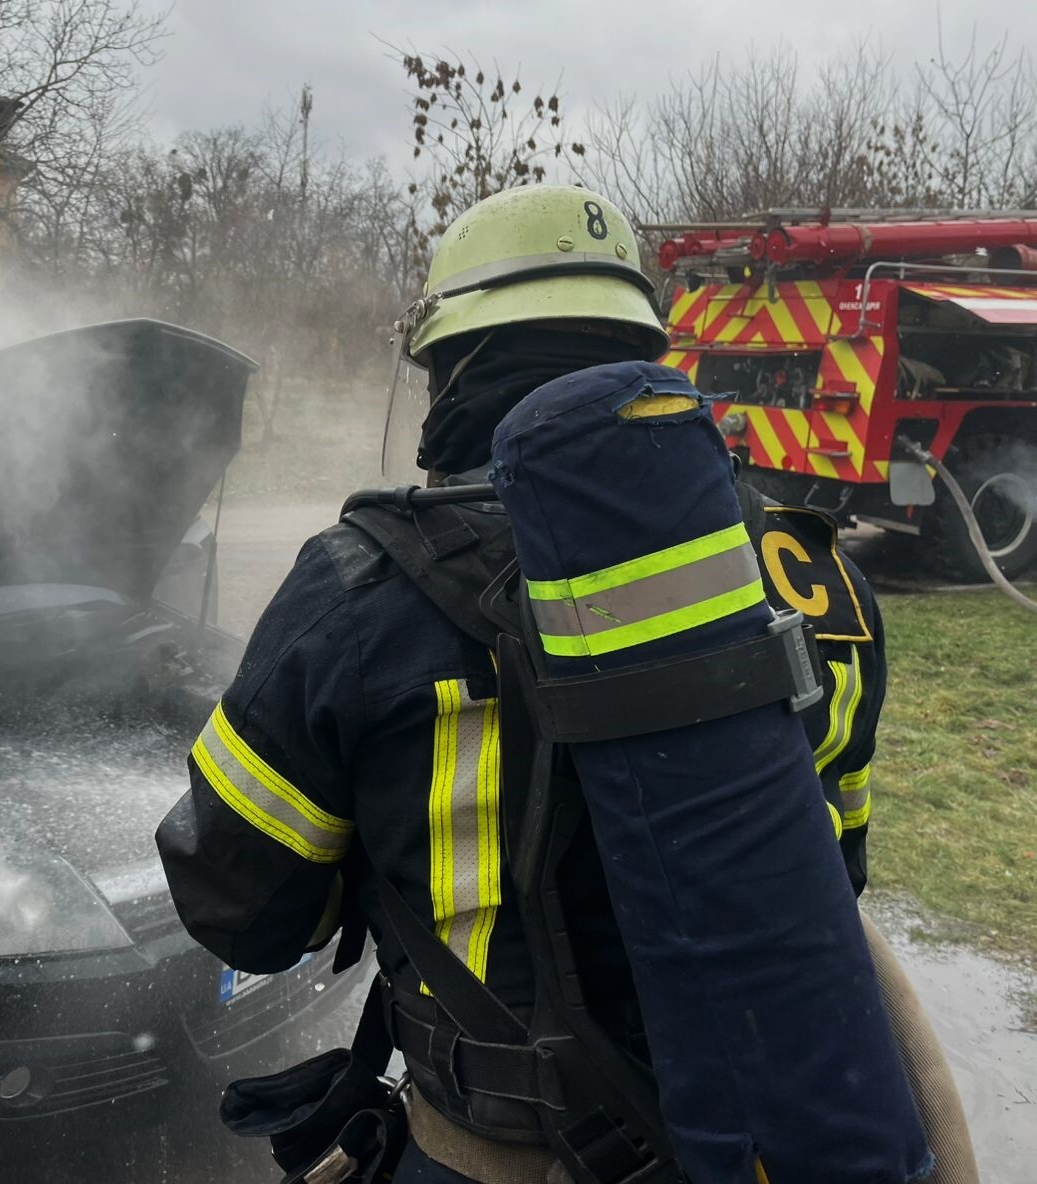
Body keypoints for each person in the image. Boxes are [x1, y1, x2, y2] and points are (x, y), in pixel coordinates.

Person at [156, 184, 961, 1184]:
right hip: (755, 1148)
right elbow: (831, 864)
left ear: (454, 370)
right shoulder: (812, 574)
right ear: (644, 356)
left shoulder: (359, 586)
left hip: (484, 1159)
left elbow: (246, 915)